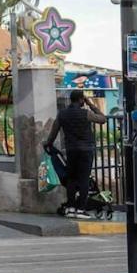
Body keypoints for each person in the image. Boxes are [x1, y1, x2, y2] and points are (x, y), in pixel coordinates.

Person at [44, 90, 107, 218]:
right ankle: (80, 209)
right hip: (86, 150)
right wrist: (91, 104)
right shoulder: (86, 113)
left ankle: (71, 208)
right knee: (83, 179)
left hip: (71, 150)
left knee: (71, 179)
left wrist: (48, 143)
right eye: (83, 99)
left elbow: (54, 132)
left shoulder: (62, 114)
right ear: (81, 100)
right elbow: (103, 119)